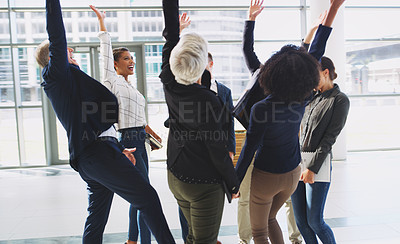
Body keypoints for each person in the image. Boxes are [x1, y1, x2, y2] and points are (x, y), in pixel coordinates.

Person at [36, 1, 175, 243]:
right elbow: (56, 36)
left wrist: (119, 148)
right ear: (53, 58)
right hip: (95, 154)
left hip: (100, 152)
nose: (72, 53)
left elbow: (95, 121)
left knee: (97, 217)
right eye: (68, 52)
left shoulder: (73, 84)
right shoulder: (55, 75)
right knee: (147, 197)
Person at [235, 0, 345, 243]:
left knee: (259, 231)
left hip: (266, 174)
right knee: (272, 219)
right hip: (292, 174)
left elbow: (249, 147)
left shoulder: (261, 107)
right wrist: (333, 12)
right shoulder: (302, 97)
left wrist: (234, 182)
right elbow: (315, 52)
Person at [160, 0, 240, 243]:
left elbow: (170, 39)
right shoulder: (209, 100)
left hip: (176, 175)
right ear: (202, 67)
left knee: (192, 237)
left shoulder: (168, 81)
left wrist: (175, 21)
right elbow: (216, 149)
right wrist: (233, 183)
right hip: (203, 184)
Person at [89, 5, 163, 244]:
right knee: (145, 194)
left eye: (131, 58)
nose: (131, 61)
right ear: (115, 64)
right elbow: (104, 49)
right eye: (126, 58)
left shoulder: (131, 86)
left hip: (139, 138)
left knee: (139, 193)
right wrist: (102, 23)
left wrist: (148, 130)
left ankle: (133, 240)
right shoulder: (112, 80)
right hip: (128, 140)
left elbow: (136, 114)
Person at [291, 56, 350, 244]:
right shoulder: (311, 97)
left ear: (326, 73)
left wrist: (312, 169)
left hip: (318, 163)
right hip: (297, 162)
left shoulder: (340, 100)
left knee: (315, 221)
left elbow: (329, 139)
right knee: (301, 222)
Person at [283, 11, 329, 244]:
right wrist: (310, 33)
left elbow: (313, 54)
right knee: (301, 221)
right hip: (293, 159)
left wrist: (330, 14)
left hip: (309, 160)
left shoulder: (306, 94)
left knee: (313, 220)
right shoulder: (283, 97)